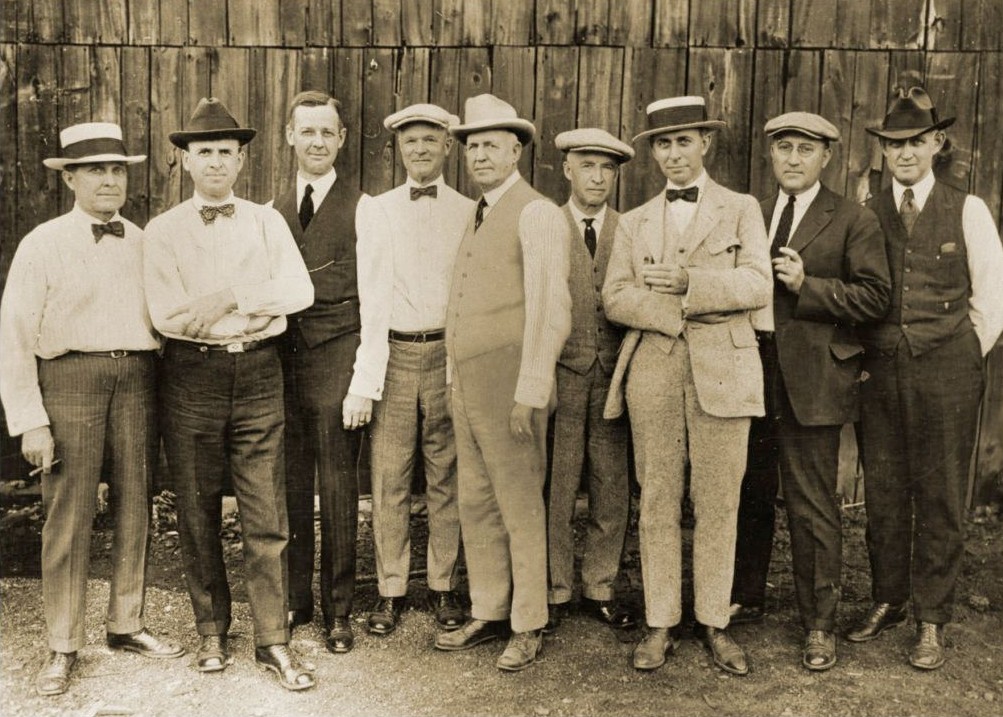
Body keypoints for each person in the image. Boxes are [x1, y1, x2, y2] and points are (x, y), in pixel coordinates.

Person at [0, 122, 184, 697]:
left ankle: (127, 622)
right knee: (69, 509)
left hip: (137, 378)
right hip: (69, 378)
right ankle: (63, 641)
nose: (109, 180)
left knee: (137, 500)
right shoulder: (43, 243)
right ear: (71, 179)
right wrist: (29, 417)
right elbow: (14, 333)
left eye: (117, 169)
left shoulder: (144, 238)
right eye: (95, 170)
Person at [144, 97, 316, 690]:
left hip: (260, 371)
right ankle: (212, 631)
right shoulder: (163, 232)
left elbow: (297, 293)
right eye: (204, 152)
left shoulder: (268, 222)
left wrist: (226, 299)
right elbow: (169, 316)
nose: (215, 162)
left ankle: (273, 639)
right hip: (192, 377)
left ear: (241, 160)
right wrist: (247, 299)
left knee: (266, 510)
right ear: (186, 162)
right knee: (195, 507)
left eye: (225, 152)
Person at [602, 96, 771, 676]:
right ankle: (660, 621)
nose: (673, 154)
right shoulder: (634, 219)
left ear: (706, 144)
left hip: (725, 371)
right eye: (663, 144)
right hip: (654, 369)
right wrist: (673, 315)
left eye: (683, 142)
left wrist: (690, 283)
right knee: (657, 498)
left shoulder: (742, 207)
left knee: (721, 499)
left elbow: (757, 283)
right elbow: (616, 297)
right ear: (653, 153)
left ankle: (715, 622)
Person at [849, 86, 1003, 670]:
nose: (904, 153)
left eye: (915, 141)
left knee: (940, 496)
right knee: (884, 490)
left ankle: (932, 617)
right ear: (884, 151)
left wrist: (959, 355)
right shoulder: (866, 205)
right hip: (881, 370)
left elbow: (990, 298)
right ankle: (887, 597)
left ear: (937, 143)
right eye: (893, 144)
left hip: (948, 372)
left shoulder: (968, 209)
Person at [732, 112, 890, 671]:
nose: (793, 159)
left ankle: (819, 622)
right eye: (783, 149)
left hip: (814, 376)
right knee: (747, 487)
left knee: (812, 502)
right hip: (749, 366)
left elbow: (875, 298)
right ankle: (743, 595)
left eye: (805, 150)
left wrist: (809, 287)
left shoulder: (852, 218)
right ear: (771, 155)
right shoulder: (750, 212)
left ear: (827, 157)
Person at [433, 94, 572, 672]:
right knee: (477, 499)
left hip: (512, 386)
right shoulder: (477, 209)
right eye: (473, 145)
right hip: (468, 385)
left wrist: (532, 389)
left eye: (493, 144)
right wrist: (450, 376)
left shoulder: (536, 212)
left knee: (519, 502)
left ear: (516, 150)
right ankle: (490, 608)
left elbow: (551, 308)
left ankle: (529, 621)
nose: (481, 154)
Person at [345, 103, 473, 635]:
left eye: (430, 140)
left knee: (447, 475)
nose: (419, 149)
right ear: (397, 149)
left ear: (448, 146)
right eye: (409, 141)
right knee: (389, 476)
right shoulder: (377, 208)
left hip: (448, 354)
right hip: (395, 355)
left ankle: (443, 587)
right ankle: (391, 589)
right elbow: (371, 298)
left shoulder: (469, 209)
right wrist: (368, 376)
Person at [270, 90, 364, 655]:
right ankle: (295, 598)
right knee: (290, 484)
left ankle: (339, 609)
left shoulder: (361, 207)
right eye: (307, 131)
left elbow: (373, 296)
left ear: (342, 139)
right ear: (290, 137)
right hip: (282, 363)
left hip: (337, 357)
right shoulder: (270, 209)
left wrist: (363, 379)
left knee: (337, 486)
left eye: (327, 132)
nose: (317, 142)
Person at [544, 128, 637, 633]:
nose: (597, 177)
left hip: (614, 377)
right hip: (562, 374)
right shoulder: (546, 225)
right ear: (568, 170)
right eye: (587, 166)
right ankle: (555, 588)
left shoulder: (631, 228)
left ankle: (600, 585)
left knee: (610, 484)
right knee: (556, 485)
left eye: (607, 168)